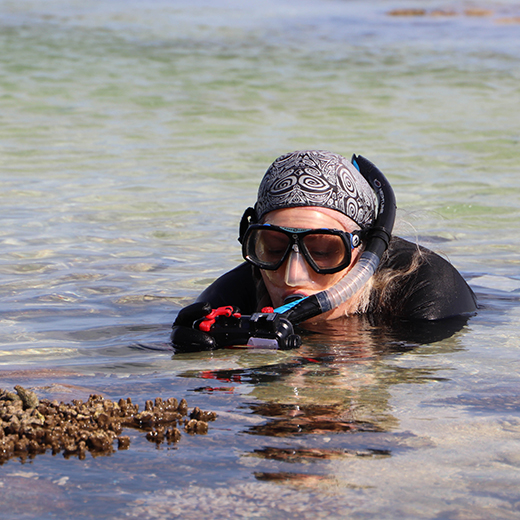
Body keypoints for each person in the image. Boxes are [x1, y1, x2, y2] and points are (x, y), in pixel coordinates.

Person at [171, 150, 477, 351]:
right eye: (273, 247)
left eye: (321, 251)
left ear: (364, 250)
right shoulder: (230, 296)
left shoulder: (430, 297)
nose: (291, 276)